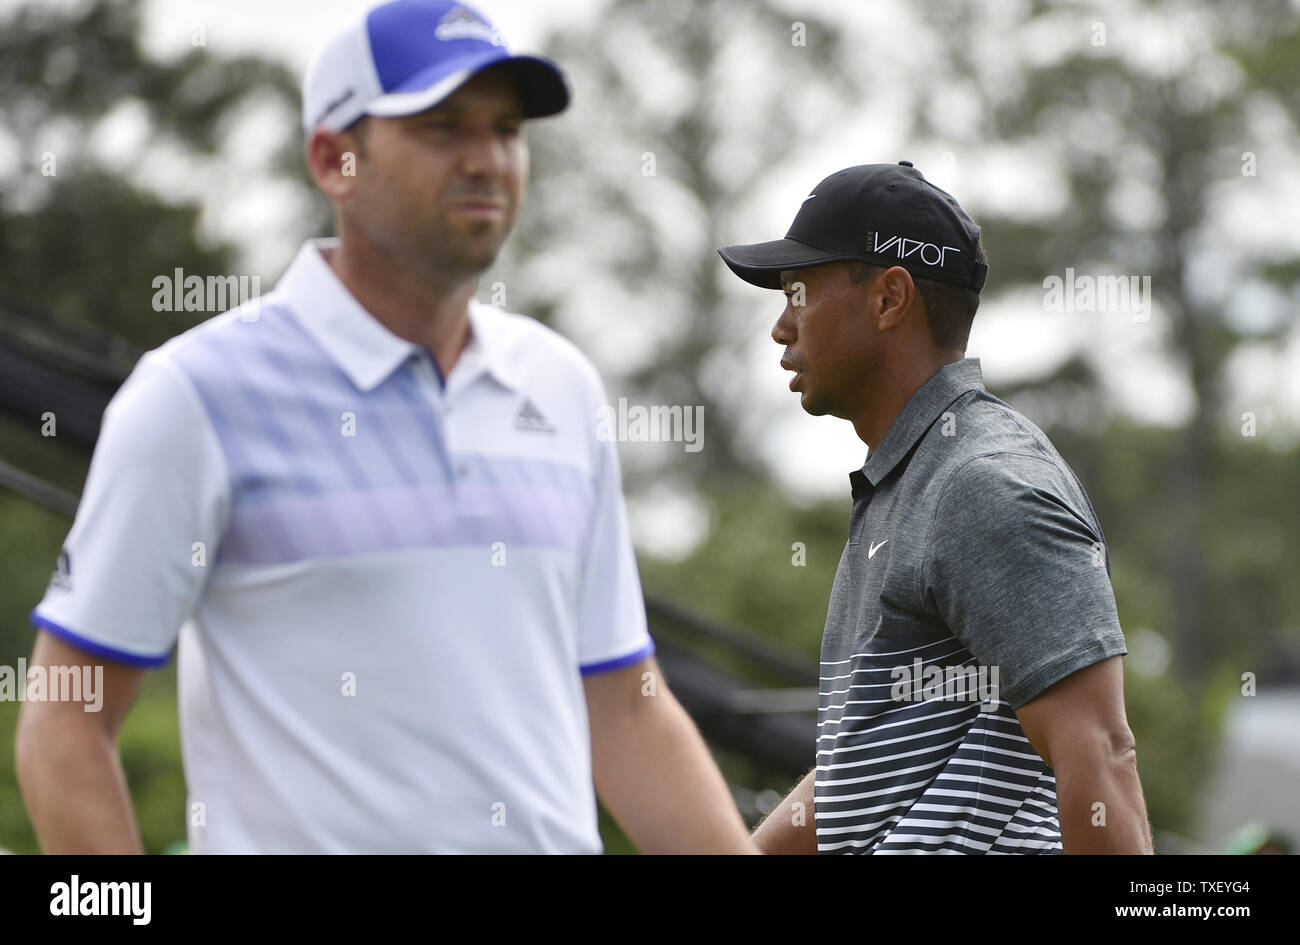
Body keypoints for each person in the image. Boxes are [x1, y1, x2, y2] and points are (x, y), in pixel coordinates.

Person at [16, 0, 755, 855]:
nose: (488, 159)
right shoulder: (195, 395)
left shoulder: (561, 386)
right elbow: (66, 720)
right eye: (443, 127)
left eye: (507, 129)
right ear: (336, 160)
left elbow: (625, 705)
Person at [718, 161, 1153, 854]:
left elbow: (1099, 753)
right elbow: (862, 766)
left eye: (799, 293)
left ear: (889, 298)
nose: (780, 326)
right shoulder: (911, 478)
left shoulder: (982, 483)